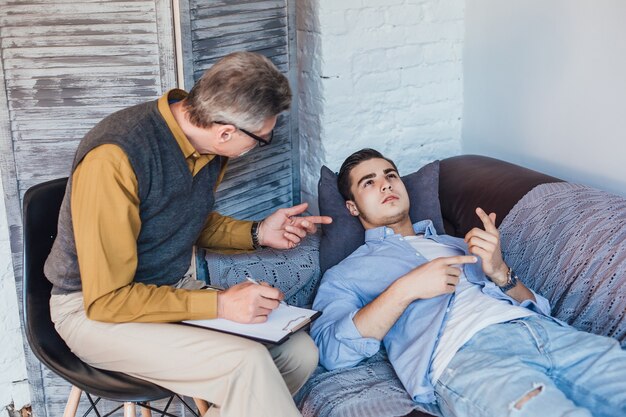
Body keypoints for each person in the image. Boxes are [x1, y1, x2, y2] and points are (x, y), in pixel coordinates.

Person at [45, 52, 331, 417]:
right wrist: (221, 305)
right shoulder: (115, 157)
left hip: (164, 290)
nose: (263, 142)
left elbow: (180, 219)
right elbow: (108, 301)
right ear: (227, 131)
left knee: (299, 354)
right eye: (262, 138)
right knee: (247, 364)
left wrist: (258, 232)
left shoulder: (206, 145)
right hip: (92, 311)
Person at [311, 148, 626, 417]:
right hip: (470, 357)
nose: (385, 184)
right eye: (369, 182)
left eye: (390, 175)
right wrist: (404, 290)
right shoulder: (347, 273)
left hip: (547, 334)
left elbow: (540, 307)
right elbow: (330, 351)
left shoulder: (461, 243)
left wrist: (500, 271)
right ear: (352, 206)